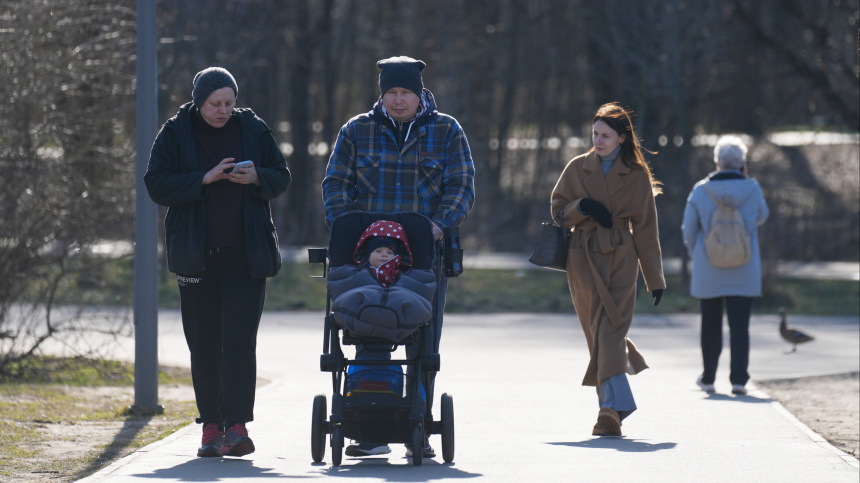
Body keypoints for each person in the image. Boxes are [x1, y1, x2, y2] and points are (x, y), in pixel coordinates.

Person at [322, 55, 475, 458]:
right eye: (391, 92)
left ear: (419, 93)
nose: (398, 99)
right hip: (365, 259)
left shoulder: (446, 131)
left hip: (423, 256)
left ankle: (417, 424)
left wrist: (439, 225)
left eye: (405, 92)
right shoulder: (357, 130)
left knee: (422, 343)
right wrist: (347, 230)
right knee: (366, 330)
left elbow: (462, 184)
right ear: (382, 94)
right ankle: (368, 425)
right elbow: (336, 182)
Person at [144, 67, 291, 458]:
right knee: (204, 343)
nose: (223, 110)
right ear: (199, 100)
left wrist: (258, 177)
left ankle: (237, 426)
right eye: (215, 104)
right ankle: (211, 426)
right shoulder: (175, 133)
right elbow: (155, 184)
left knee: (240, 341)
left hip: (246, 256)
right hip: (196, 257)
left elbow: (282, 176)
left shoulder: (253, 129)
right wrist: (202, 179)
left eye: (229, 102)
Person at [550, 102, 665, 437]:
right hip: (582, 256)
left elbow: (646, 230)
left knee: (610, 329)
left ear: (622, 138)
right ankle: (613, 407)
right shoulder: (577, 168)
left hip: (620, 256)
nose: (598, 141)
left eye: (605, 135)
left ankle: (610, 411)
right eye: (595, 134)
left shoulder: (637, 176)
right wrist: (582, 207)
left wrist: (654, 279)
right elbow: (557, 210)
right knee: (595, 332)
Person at [682, 135, 769, 396]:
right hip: (744, 269)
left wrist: (695, 254)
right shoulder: (752, 189)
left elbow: (689, 230)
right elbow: (763, 216)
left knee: (710, 324)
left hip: (709, 269)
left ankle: (708, 378)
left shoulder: (700, 190)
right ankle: (738, 380)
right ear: (742, 163)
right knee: (740, 326)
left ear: (717, 161)